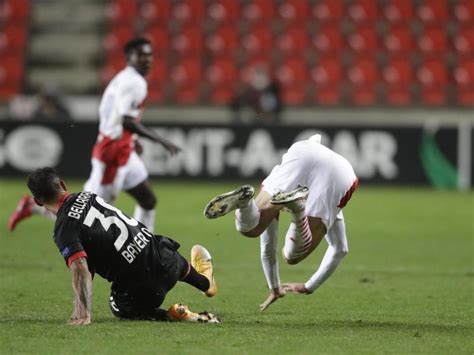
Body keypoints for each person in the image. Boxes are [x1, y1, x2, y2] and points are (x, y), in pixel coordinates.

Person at [8, 37, 180, 233]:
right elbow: (126, 120)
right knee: (86, 215)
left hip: (122, 147)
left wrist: (132, 139)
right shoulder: (135, 83)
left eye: (149, 55)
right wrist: (161, 141)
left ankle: (147, 246)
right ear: (129, 57)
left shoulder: (123, 78)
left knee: (148, 200)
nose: (147, 59)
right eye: (141, 55)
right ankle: (33, 206)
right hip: (112, 152)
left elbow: (115, 115)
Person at [25, 167, 218, 325]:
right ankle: (205, 283)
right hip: (170, 261)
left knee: (119, 307)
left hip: (146, 290)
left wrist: (82, 311)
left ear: (38, 202)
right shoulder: (87, 196)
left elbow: (80, 267)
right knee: (153, 247)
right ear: (62, 184)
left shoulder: (63, 230)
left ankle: (174, 315)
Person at [204, 134, 358, 311]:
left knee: (252, 229)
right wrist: (309, 286)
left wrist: (275, 287)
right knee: (291, 257)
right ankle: (298, 209)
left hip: (303, 150)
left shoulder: (329, 203)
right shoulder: (333, 202)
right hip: (340, 172)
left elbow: (268, 247)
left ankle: (245, 204)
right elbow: (340, 249)